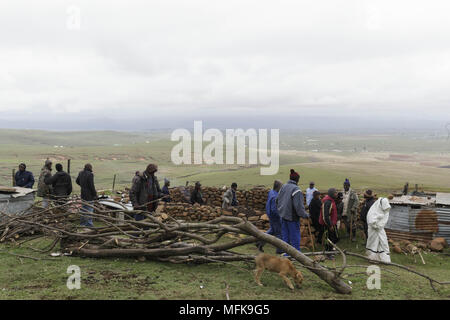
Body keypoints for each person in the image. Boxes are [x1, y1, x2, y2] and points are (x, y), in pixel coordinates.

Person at [277, 169, 309, 253]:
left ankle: (286, 254)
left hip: (283, 216)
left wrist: (280, 210)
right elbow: (298, 207)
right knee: (295, 237)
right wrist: (305, 215)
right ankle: (296, 255)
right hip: (292, 217)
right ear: (297, 179)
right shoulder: (296, 189)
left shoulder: (283, 187)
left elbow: (277, 200)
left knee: (285, 237)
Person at [256, 180, 283, 254]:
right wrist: (280, 215)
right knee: (279, 233)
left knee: (272, 230)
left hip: (270, 214)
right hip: (275, 216)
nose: (282, 187)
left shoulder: (271, 192)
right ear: (278, 187)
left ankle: (260, 242)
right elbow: (274, 210)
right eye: (281, 186)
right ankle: (280, 250)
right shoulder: (275, 196)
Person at [366, 197, 392, 263]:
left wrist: (379, 226)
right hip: (373, 230)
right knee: (374, 243)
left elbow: (384, 220)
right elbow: (370, 220)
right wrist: (375, 224)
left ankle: (384, 259)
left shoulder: (386, 211)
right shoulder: (373, 209)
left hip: (380, 229)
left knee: (383, 242)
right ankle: (373, 258)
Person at [319, 188, 339, 257]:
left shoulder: (332, 200)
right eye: (335, 193)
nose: (337, 194)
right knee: (328, 239)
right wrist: (330, 225)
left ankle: (331, 250)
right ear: (331, 194)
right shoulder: (327, 202)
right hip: (327, 224)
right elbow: (325, 216)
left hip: (332, 223)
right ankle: (328, 254)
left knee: (334, 237)